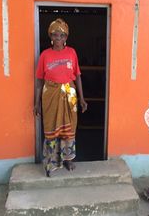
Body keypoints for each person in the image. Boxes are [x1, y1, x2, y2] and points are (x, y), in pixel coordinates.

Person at [34, 18, 88, 177]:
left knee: (69, 127)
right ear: (51, 36)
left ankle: (69, 159)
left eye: (62, 35)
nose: (58, 38)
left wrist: (82, 98)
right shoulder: (45, 55)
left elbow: (77, 76)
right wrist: (36, 103)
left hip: (69, 94)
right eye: (55, 35)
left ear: (66, 37)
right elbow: (39, 81)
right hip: (50, 94)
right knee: (51, 128)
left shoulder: (72, 53)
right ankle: (51, 161)